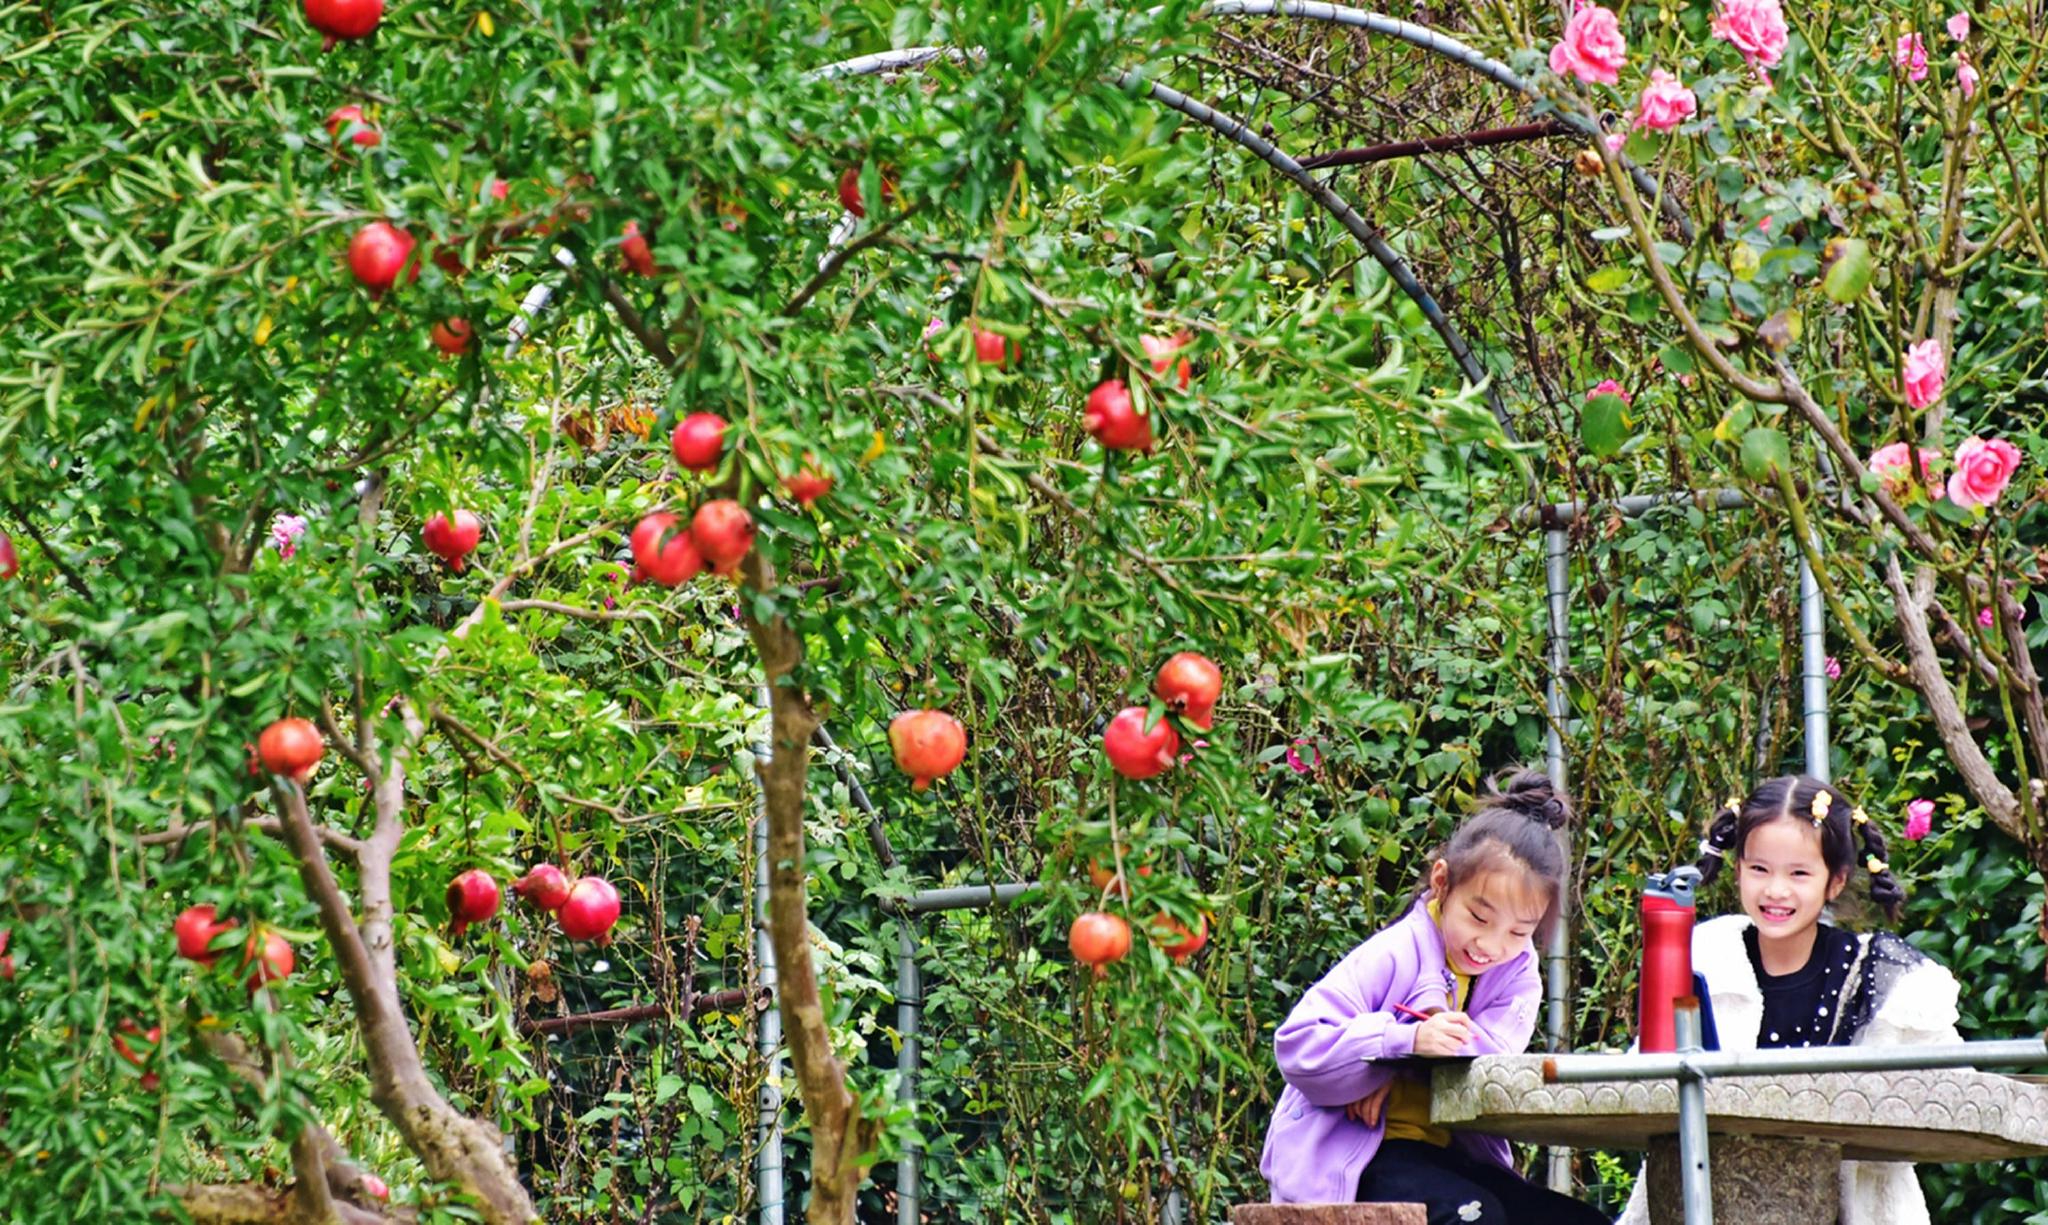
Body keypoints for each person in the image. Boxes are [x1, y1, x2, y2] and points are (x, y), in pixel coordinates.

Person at [1259, 770, 1610, 1224]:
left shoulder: (1519, 975)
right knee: (1475, 1217)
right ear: (1443, 882)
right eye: (1479, 918)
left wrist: (1399, 1068)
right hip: (1358, 1160)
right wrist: (1398, 1043)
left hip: (1448, 1153)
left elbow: (1489, 1066)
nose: (1491, 945)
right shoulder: (1394, 952)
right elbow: (1298, 1044)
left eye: (1518, 932)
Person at [1617, 774, 1962, 1225]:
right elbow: (1643, 1077)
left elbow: (1954, 1095)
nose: (1776, 890)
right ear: (1738, 869)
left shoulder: (1886, 978)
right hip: (1706, 1203)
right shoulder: (1703, 956)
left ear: (1835, 881)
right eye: (1759, 869)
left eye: (1799, 873)